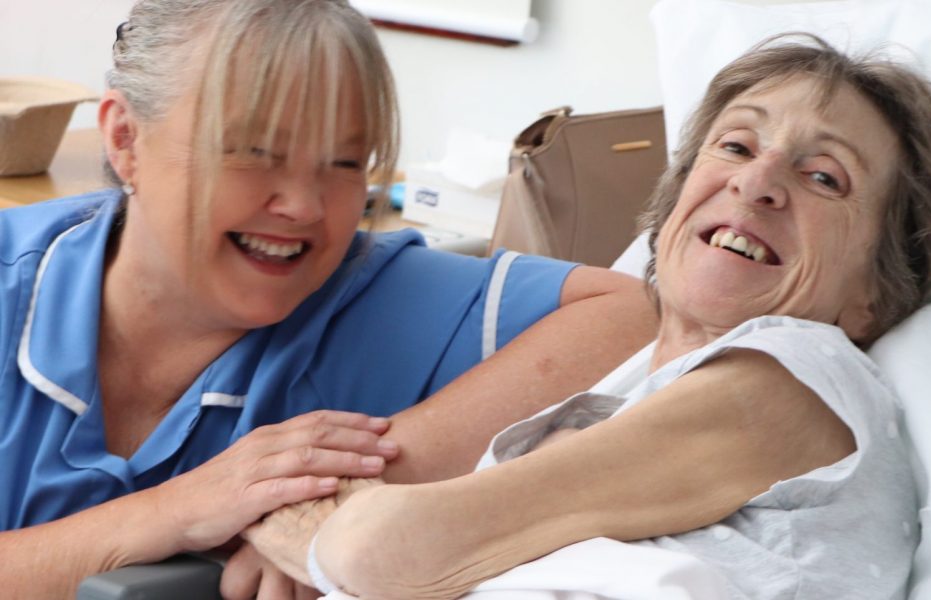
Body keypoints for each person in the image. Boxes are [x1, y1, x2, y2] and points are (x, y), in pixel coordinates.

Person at [247, 34, 931, 599]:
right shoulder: (623, 399)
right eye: (736, 145)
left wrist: (287, 515)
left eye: (824, 177)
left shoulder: (804, 378)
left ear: (874, 294)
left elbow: (381, 550)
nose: (757, 183)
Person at [0, 1, 658, 597]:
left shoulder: (377, 296)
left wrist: (348, 492)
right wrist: (174, 511)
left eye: (345, 163)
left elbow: (633, 315)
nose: (305, 207)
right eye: (255, 152)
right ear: (123, 139)